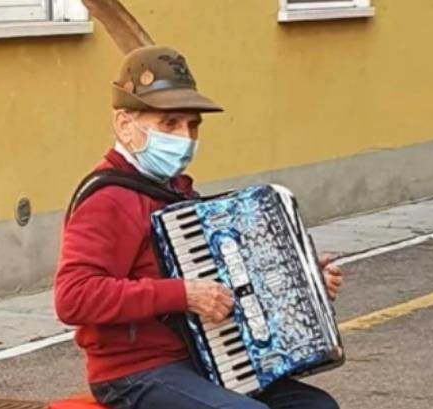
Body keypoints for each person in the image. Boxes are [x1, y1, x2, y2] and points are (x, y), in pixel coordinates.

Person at [54, 45, 344, 409]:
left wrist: (304, 280)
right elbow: (74, 297)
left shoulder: (175, 191)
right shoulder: (108, 198)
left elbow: (233, 275)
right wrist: (182, 294)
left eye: (193, 126)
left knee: (316, 406)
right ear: (125, 125)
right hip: (135, 372)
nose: (185, 138)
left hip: (202, 359)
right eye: (169, 124)